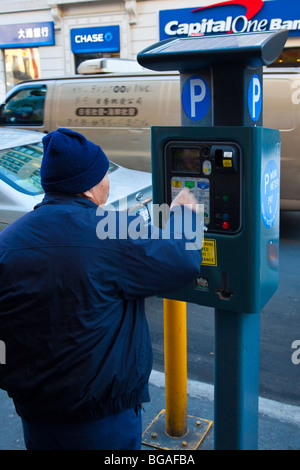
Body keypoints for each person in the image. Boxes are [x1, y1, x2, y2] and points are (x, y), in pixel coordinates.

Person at [0, 128, 202, 450]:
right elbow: (184, 261)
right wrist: (186, 214)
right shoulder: (112, 229)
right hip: (101, 422)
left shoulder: (8, 241)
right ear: (93, 183)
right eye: (104, 172)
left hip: (37, 416)